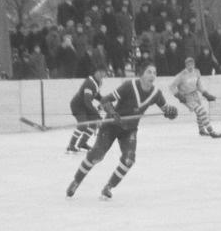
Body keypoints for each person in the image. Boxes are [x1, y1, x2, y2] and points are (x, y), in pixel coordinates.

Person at [65, 60, 178, 200]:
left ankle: (108, 187)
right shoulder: (129, 86)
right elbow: (105, 100)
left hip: (129, 129)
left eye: (154, 72)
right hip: (111, 126)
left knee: (129, 159)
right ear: (141, 74)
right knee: (97, 155)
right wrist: (112, 112)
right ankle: (76, 181)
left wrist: (171, 112)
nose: (152, 75)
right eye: (149, 72)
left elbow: (166, 109)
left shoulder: (156, 93)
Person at [169, 56, 221, 138]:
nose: (190, 67)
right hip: (187, 97)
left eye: (192, 65)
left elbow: (199, 86)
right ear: (185, 65)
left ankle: (202, 131)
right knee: (202, 111)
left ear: (194, 65)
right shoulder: (181, 75)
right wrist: (179, 96)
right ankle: (211, 131)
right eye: (188, 65)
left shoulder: (197, 72)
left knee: (199, 113)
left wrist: (206, 94)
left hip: (195, 95)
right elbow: (171, 86)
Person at [66, 68, 105, 154]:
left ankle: (82, 143)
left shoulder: (98, 82)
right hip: (78, 106)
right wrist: (96, 113)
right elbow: (87, 100)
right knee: (83, 124)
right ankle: (71, 145)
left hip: (85, 105)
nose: (101, 74)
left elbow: (95, 94)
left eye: (103, 72)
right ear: (95, 72)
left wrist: (102, 99)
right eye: (99, 72)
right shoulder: (89, 83)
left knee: (94, 123)